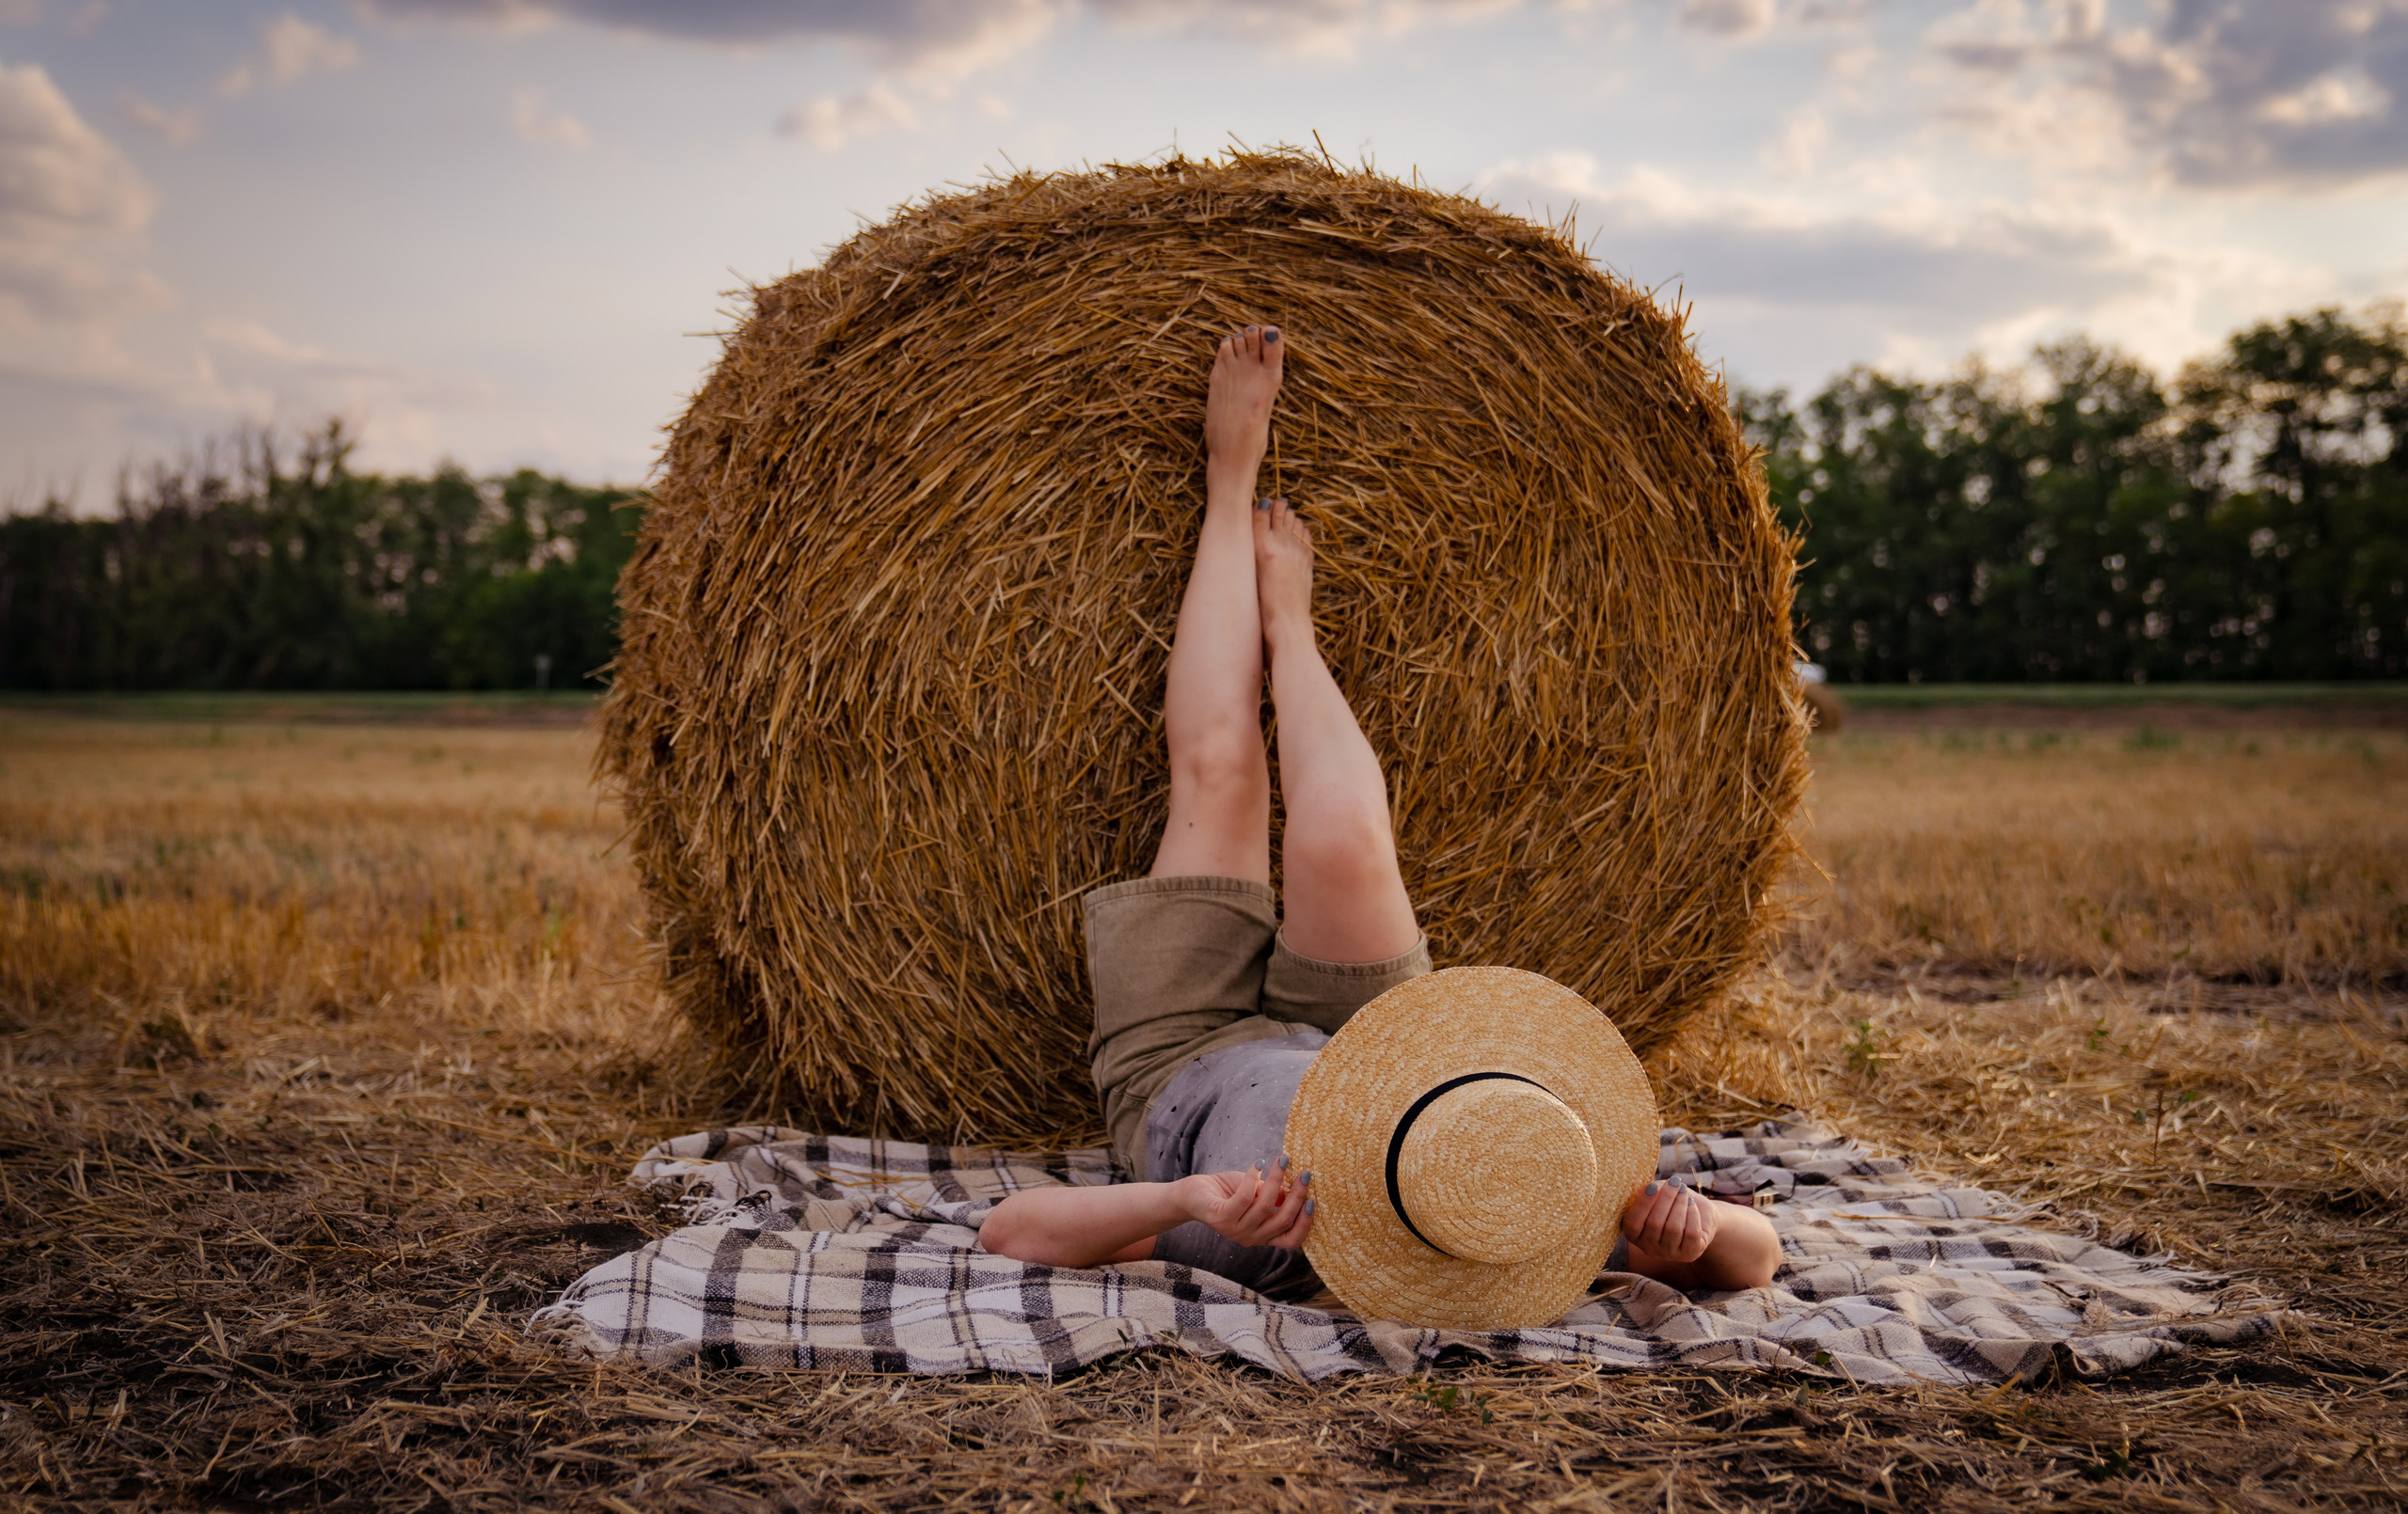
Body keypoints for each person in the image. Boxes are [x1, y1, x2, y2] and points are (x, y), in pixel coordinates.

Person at [978, 324, 1780, 1308]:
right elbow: (1755, 1256)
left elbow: (1012, 1232)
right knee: (1346, 837)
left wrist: (1188, 1192)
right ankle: (1290, 628)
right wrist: (1699, 1225)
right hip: (1382, 1050)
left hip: (1185, 1052)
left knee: (1221, 774)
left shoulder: (1275, 1239)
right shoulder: (1521, 1183)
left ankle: (1229, 482)